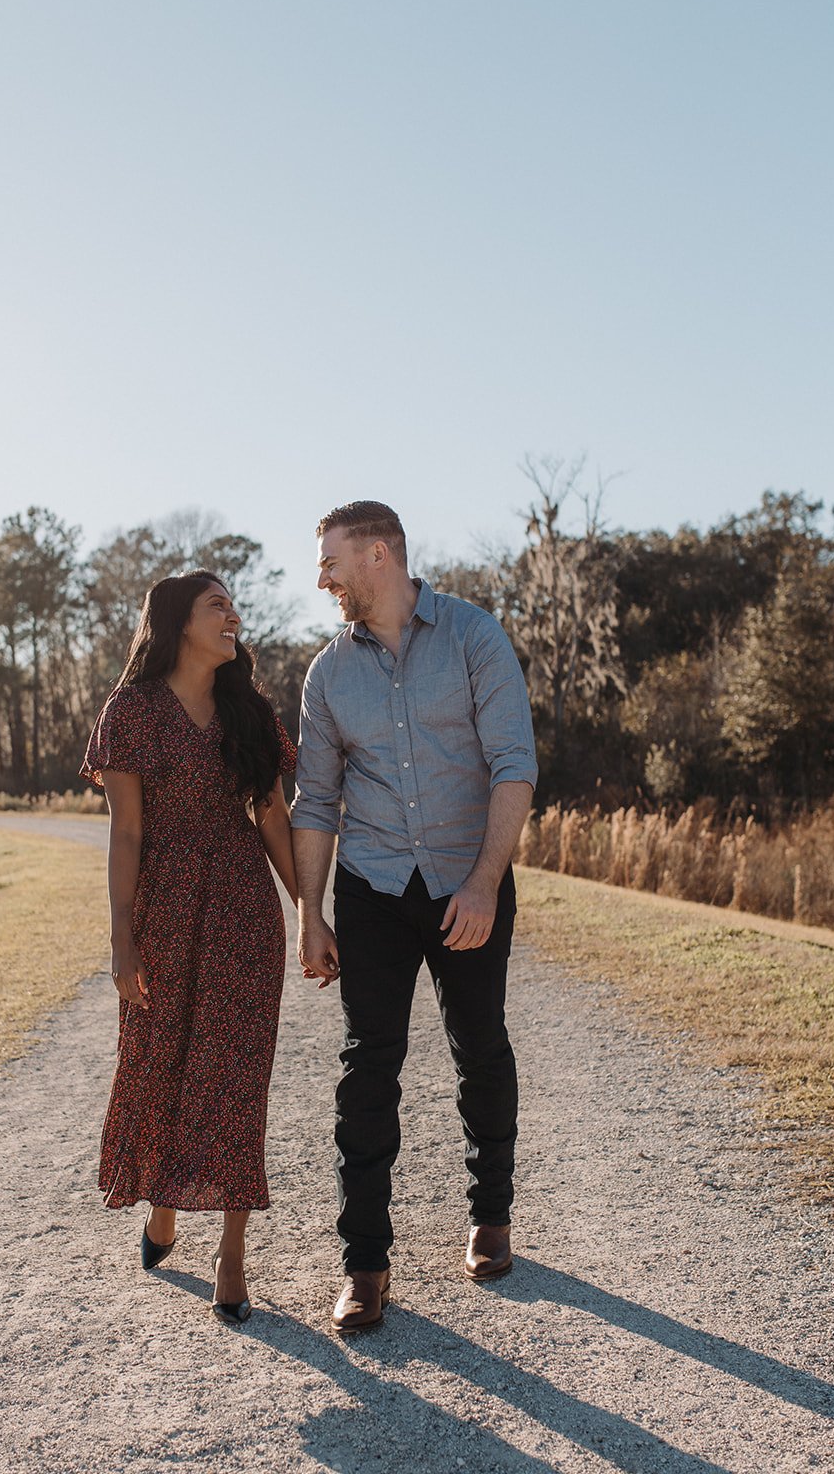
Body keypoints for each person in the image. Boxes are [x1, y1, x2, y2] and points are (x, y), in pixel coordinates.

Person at [290, 501, 537, 1333]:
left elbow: (513, 765)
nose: (320, 577)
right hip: (374, 886)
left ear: (379, 555)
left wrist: (482, 883)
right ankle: (364, 1264)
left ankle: (489, 1216)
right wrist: (309, 912)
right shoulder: (327, 675)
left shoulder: (472, 637)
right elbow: (315, 802)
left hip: (470, 879)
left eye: (330, 560)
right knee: (368, 1068)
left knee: (480, 1045)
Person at [80, 570, 297, 1324]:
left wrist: (310, 910)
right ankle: (163, 1207)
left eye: (234, 606)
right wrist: (120, 939)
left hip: (242, 909)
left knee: (236, 1077)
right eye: (218, 606)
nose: (234, 616)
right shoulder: (131, 710)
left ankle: (232, 1255)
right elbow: (127, 832)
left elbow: (273, 820)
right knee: (158, 1064)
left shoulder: (251, 713)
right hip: (163, 909)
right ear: (176, 623)